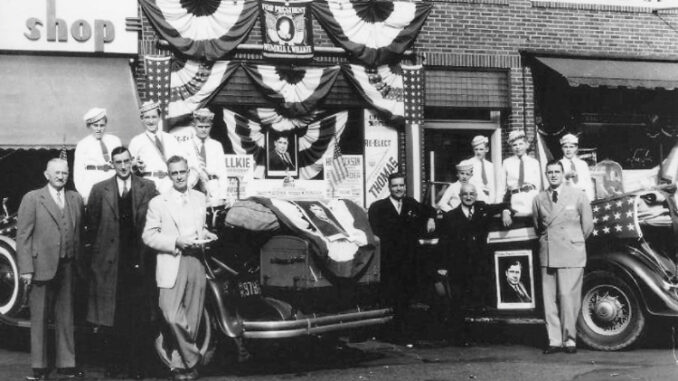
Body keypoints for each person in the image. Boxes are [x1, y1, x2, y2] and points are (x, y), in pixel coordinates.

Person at [86, 146, 159, 379]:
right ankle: (114, 365)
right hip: (110, 263)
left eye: (127, 161)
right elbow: (93, 225)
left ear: (132, 161)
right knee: (112, 317)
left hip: (139, 261)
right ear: (112, 164)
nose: (124, 165)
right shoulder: (99, 190)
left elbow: (155, 220)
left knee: (138, 315)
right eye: (118, 162)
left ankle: (137, 367)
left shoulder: (147, 187)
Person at [142, 155, 217, 381]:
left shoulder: (199, 198)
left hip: (195, 260)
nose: (179, 176)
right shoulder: (158, 202)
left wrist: (206, 234)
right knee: (171, 314)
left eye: (182, 172)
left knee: (192, 317)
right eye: (174, 173)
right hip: (172, 261)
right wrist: (175, 241)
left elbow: (200, 228)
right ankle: (194, 358)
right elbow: (148, 236)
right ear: (169, 175)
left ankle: (181, 367)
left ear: (188, 172)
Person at [16, 158, 85, 381]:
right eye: (56, 172)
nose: (61, 176)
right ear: (47, 174)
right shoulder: (33, 198)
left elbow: (78, 233)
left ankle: (66, 365)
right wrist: (26, 268)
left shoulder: (74, 198)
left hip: (67, 265)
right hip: (40, 267)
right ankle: (39, 367)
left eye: (64, 173)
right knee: (40, 318)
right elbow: (23, 236)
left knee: (66, 316)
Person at [532, 160, 593, 355]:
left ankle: (570, 340)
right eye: (549, 172)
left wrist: (572, 242)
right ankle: (554, 340)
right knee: (549, 299)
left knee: (568, 298)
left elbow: (588, 226)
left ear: (563, 173)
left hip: (571, 253)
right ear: (546, 174)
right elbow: (538, 226)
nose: (553, 175)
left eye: (557, 172)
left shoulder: (578, 195)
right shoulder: (539, 199)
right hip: (548, 252)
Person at [437, 183, 507, 344]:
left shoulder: (482, 210)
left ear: (476, 196)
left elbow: (503, 204)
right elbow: (444, 243)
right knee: (458, 301)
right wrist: (442, 266)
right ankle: (459, 336)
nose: (468, 197)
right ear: (460, 196)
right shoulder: (451, 216)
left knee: (475, 299)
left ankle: (476, 336)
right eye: (465, 194)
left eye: (471, 194)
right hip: (458, 265)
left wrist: (505, 211)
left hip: (478, 264)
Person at [368, 173, 435, 339]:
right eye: (395, 186)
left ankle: (406, 334)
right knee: (391, 297)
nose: (399, 189)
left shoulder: (411, 203)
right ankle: (392, 334)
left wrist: (431, 218)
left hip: (409, 260)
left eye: (401, 185)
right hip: (389, 261)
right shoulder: (378, 207)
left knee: (407, 298)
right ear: (389, 187)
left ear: (405, 186)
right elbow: (374, 232)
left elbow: (429, 209)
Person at [129, 101, 185, 194]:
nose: (151, 121)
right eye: (147, 117)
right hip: (148, 184)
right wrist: (136, 166)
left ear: (159, 118)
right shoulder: (136, 141)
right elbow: (129, 166)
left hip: (170, 184)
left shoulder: (170, 138)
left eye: (154, 117)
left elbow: (181, 161)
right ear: (142, 119)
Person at [73, 108, 121, 203]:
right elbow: (78, 172)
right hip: (92, 184)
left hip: (112, 184)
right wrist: (84, 193)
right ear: (89, 126)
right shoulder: (82, 144)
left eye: (102, 125)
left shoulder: (115, 141)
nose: (99, 129)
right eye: (95, 125)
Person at [184, 108, 228, 204]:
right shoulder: (186, 145)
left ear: (211, 126)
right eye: (200, 126)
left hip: (213, 188)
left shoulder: (216, 146)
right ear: (194, 126)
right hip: (193, 188)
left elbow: (223, 173)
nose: (203, 130)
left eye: (206, 126)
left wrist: (223, 196)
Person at [500, 130, 542, 227]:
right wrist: (502, 209)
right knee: (518, 226)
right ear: (511, 147)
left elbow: (538, 186)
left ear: (527, 145)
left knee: (534, 226)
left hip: (532, 197)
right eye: (514, 145)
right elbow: (501, 188)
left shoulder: (534, 162)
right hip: (516, 198)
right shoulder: (507, 163)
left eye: (520, 144)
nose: (518, 147)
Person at [559, 133, 594, 201]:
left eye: (571, 147)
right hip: (567, 200)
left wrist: (589, 201)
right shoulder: (559, 164)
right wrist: (565, 177)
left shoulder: (583, 164)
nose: (568, 150)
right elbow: (556, 186)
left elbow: (588, 185)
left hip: (583, 200)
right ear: (562, 148)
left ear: (576, 148)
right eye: (565, 147)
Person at [469, 135, 495, 203]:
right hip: (476, 199)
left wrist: (492, 200)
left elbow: (493, 185)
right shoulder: (468, 164)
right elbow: (470, 184)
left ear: (487, 149)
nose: (478, 152)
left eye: (481, 149)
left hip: (490, 200)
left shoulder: (491, 166)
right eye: (476, 149)